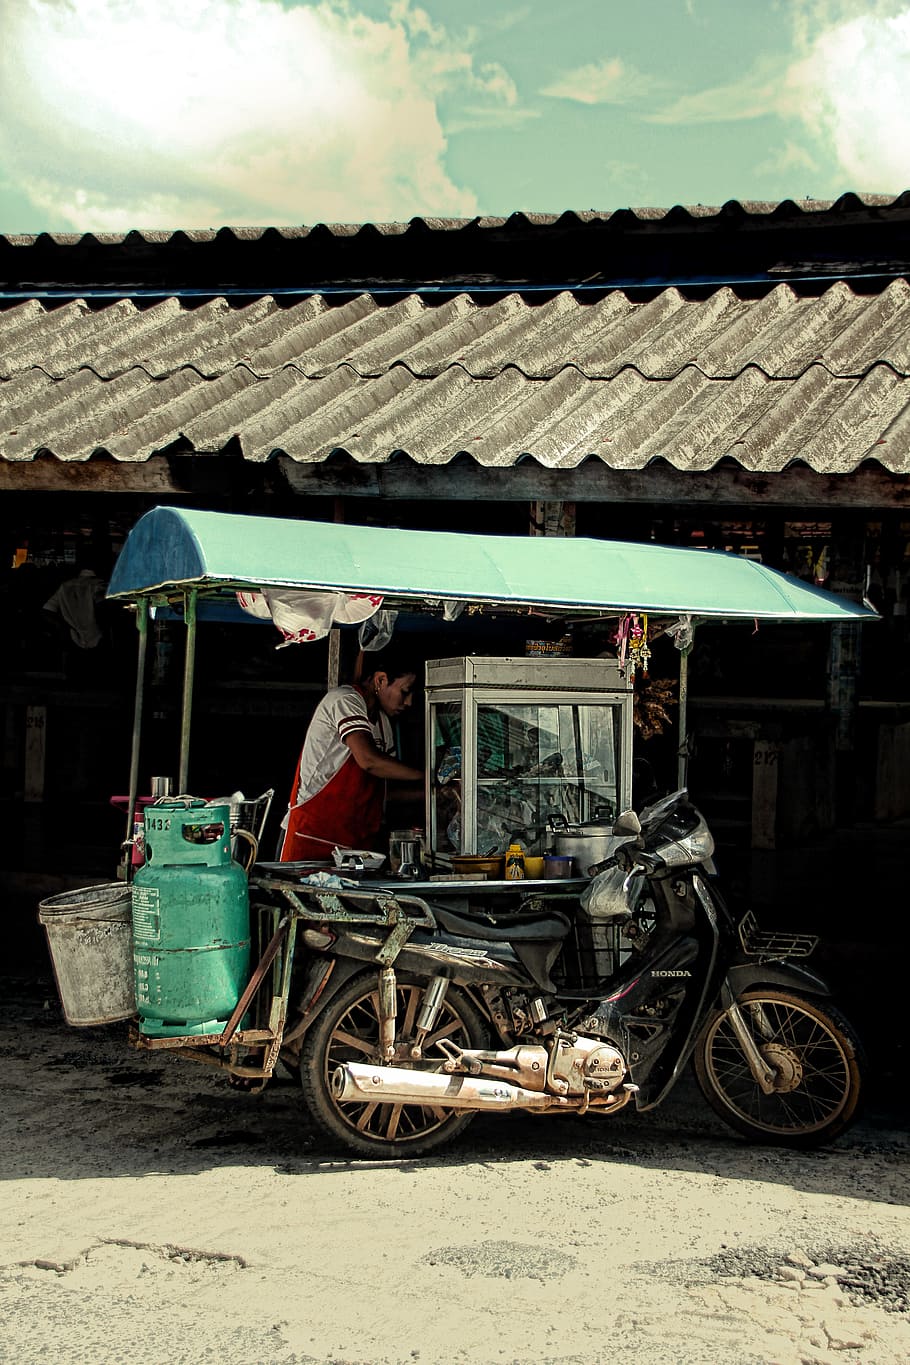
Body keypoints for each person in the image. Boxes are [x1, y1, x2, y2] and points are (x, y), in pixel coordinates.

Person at [279, 649, 423, 861]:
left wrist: (432, 793)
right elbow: (368, 760)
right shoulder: (344, 700)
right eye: (405, 691)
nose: (409, 702)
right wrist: (426, 775)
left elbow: (381, 793)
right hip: (312, 836)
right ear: (381, 680)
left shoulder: (383, 725)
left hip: (355, 848)